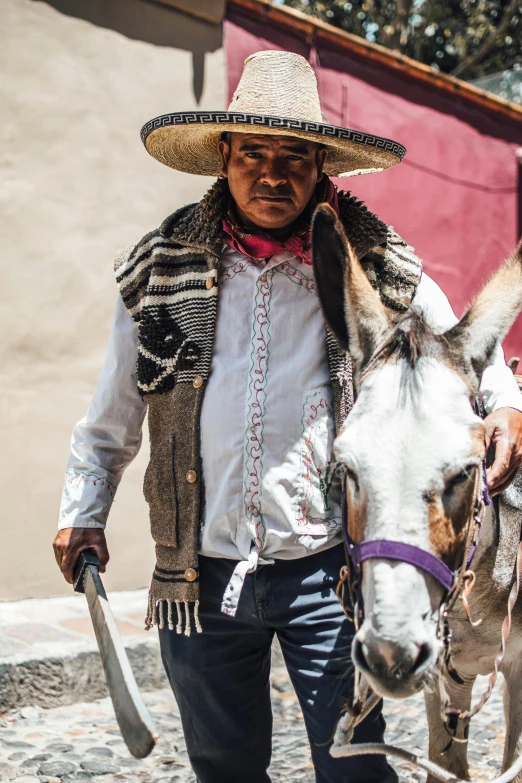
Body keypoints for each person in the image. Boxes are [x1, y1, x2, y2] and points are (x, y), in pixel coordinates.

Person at [53, 51, 522, 783]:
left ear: (320, 164)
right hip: (200, 579)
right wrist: (84, 509)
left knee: (356, 765)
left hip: (327, 572)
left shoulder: (380, 267)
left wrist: (510, 408)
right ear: (224, 156)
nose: (274, 174)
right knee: (224, 765)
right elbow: (112, 416)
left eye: (295, 156)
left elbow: (469, 350)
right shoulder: (161, 268)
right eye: (256, 154)